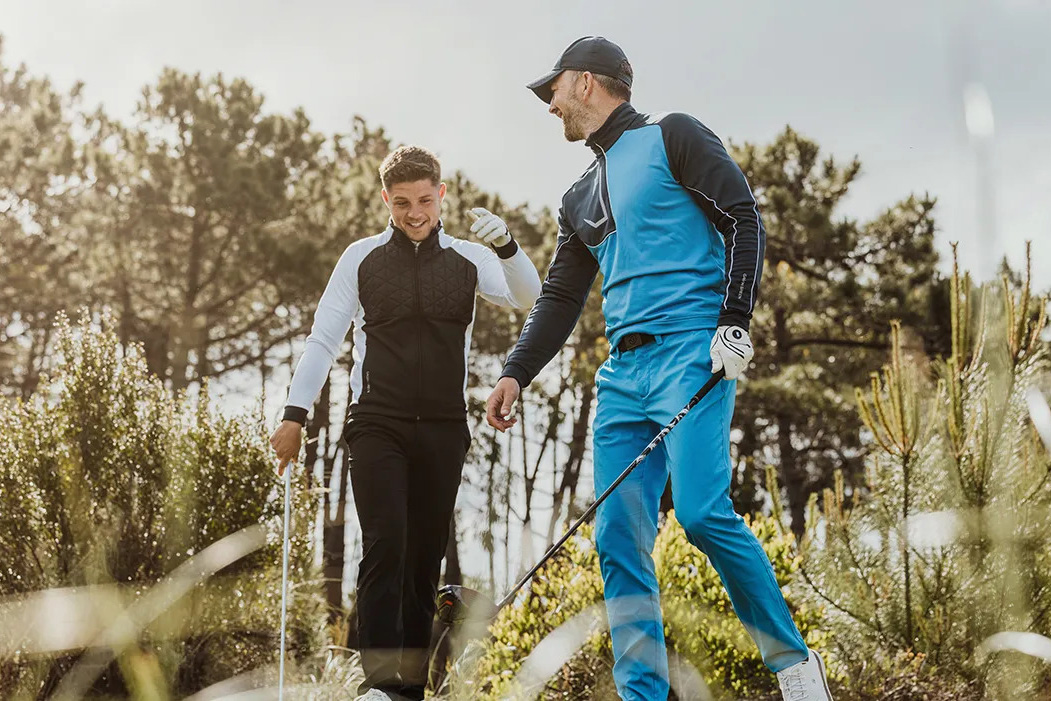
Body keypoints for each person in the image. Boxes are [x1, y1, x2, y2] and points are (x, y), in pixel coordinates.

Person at [485, 37, 833, 701]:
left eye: (552, 88)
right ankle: (640, 693)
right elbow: (560, 297)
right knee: (617, 536)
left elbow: (742, 216)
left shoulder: (671, 135)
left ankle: (793, 664)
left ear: (586, 83)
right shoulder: (578, 194)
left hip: (689, 351)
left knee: (702, 512)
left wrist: (734, 319)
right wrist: (514, 371)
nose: (548, 103)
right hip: (621, 375)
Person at [270, 145, 541, 701]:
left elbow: (527, 297)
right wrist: (294, 414)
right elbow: (323, 340)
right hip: (377, 422)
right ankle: (381, 686)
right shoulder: (362, 258)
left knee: (423, 557)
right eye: (401, 203)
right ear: (385, 201)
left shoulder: (469, 258)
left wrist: (508, 246)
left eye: (424, 200)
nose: (414, 213)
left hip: (444, 426)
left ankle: (407, 693)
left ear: (441, 195)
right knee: (385, 543)